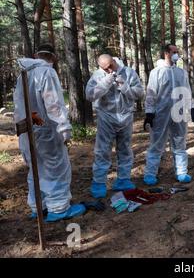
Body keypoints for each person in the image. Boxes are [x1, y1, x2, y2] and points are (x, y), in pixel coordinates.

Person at [13, 43, 86, 222]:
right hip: (46, 131)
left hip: (27, 129)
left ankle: (38, 207)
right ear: (54, 57)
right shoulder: (47, 72)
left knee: (36, 169)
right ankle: (59, 208)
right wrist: (64, 128)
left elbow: (19, 105)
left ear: (36, 54)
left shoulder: (23, 74)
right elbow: (53, 104)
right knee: (56, 168)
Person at [86, 54, 144, 198]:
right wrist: (105, 82)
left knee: (124, 148)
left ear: (113, 62)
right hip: (106, 116)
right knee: (102, 150)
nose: (108, 70)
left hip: (126, 116)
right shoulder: (98, 75)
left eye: (109, 67)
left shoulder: (129, 72)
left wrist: (124, 87)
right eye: (104, 69)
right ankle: (99, 182)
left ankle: (123, 179)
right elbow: (90, 95)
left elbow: (139, 93)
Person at [143, 44, 194, 185]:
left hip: (179, 113)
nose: (177, 54)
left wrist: (191, 107)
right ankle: (150, 174)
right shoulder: (156, 72)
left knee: (179, 143)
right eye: (174, 52)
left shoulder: (181, 72)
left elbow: (187, 90)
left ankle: (182, 172)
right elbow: (151, 94)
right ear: (166, 53)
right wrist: (149, 113)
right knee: (156, 145)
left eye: (178, 51)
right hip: (160, 114)